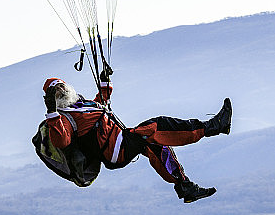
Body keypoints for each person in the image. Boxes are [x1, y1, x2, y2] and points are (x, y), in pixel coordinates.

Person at [41, 73, 231, 203]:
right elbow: (62, 142)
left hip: (121, 140)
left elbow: (101, 105)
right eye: (55, 92)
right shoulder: (62, 118)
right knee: (155, 126)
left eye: (61, 87)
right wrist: (51, 112)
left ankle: (186, 187)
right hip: (114, 150)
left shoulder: (80, 104)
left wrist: (105, 83)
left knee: (158, 147)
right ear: (52, 99)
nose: (61, 91)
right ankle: (211, 127)